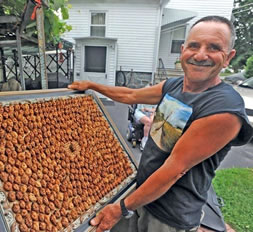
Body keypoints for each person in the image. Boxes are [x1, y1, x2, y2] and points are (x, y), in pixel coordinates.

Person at [68, 15, 253, 232]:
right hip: (139, 195)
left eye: (213, 48)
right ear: (183, 50)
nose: (200, 55)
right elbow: (130, 95)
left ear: (229, 56)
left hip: (169, 217)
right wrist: (93, 85)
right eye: (194, 45)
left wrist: (121, 208)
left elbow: (174, 169)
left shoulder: (224, 108)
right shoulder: (174, 86)